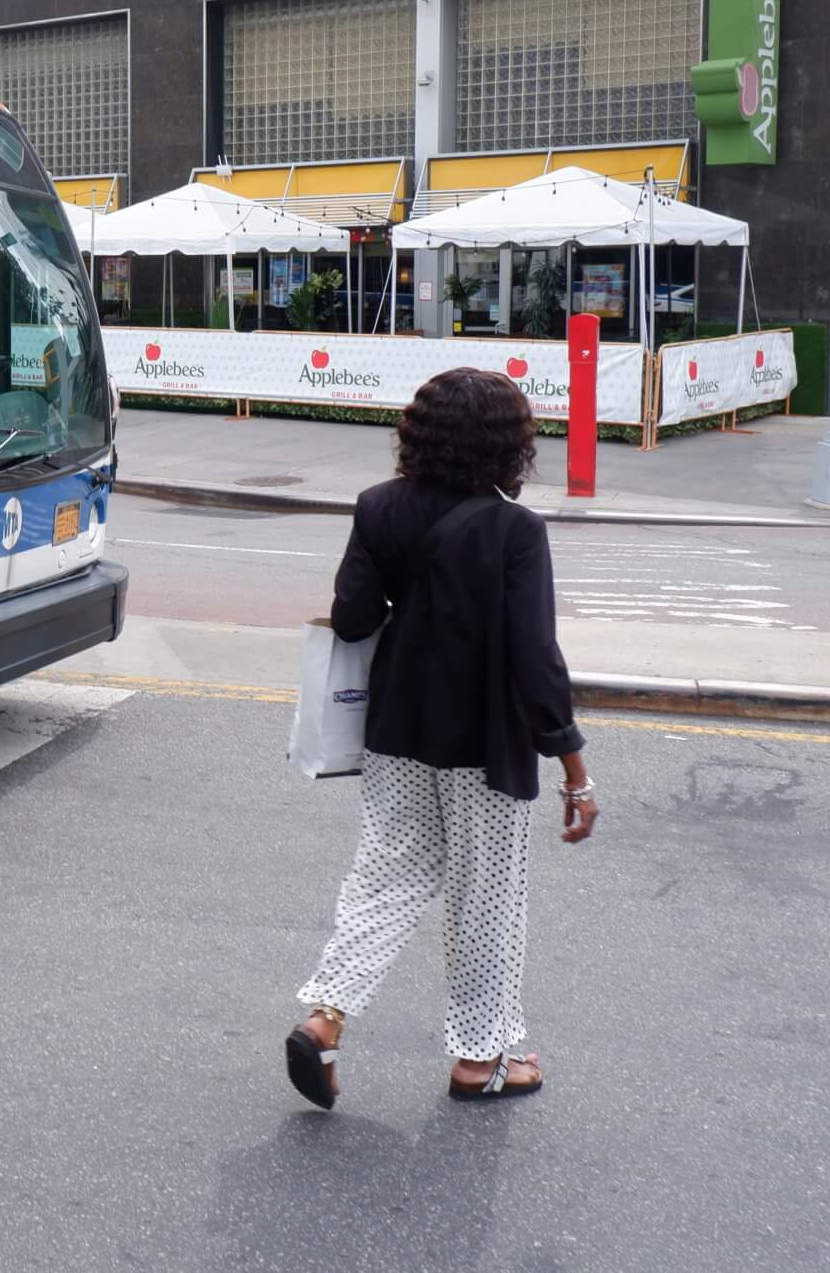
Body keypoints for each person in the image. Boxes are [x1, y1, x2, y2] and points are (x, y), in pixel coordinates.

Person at [284, 368, 597, 1110]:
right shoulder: (516, 530)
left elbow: (354, 617)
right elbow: (535, 658)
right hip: (484, 741)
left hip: (395, 727)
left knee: (384, 876)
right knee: (486, 898)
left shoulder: (378, 507)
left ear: (416, 432)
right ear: (506, 444)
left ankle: (325, 1017)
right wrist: (575, 767)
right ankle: (479, 1060)